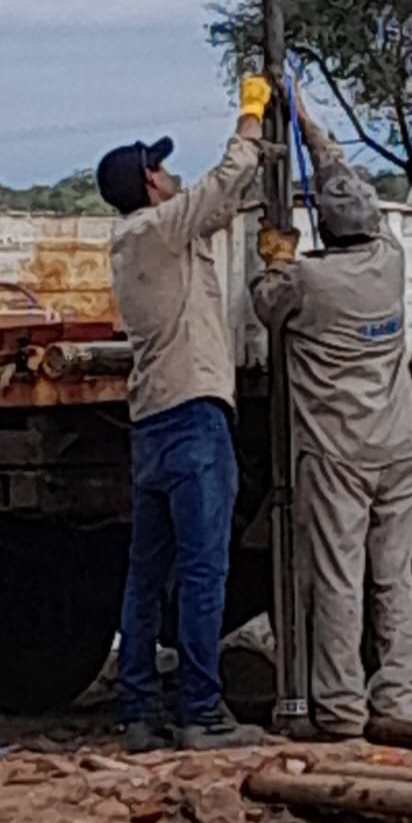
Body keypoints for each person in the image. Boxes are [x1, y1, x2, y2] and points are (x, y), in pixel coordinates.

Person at [97, 77, 271, 753]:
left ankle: (139, 709)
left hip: (153, 423)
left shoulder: (139, 242)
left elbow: (217, 210)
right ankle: (202, 710)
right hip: (195, 415)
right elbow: (223, 184)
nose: (171, 175)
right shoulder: (161, 230)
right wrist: (249, 120)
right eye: (161, 168)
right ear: (148, 185)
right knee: (204, 569)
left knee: (148, 573)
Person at [249, 95, 412, 740]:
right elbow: (346, 180)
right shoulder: (392, 261)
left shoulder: (308, 283)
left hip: (339, 452)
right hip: (400, 444)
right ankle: (401, 699)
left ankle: (342, 707)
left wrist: (274, 256)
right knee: (394, 575)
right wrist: (310, 125)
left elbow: (267, 305)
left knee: (338, 580)